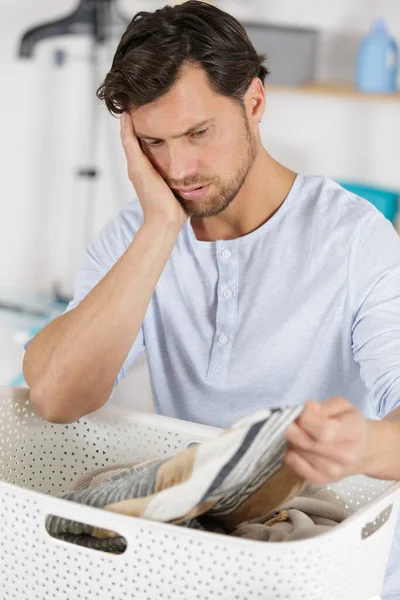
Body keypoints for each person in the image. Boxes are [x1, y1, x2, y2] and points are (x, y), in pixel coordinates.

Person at [22, 2, 400, 596]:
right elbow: (55, 396)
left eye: (198, 133)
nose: (180, 167)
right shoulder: (136, 234)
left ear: (254, 102)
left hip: (324, 570)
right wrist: (158, 230)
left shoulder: (355, 240)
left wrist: (363, 443)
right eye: (154, 143)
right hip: (193, 558)